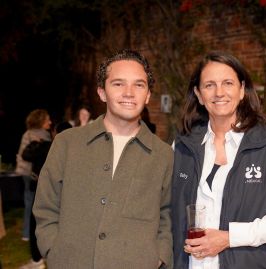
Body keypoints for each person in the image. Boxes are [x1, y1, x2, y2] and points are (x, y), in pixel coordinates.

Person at [33, 49, 174, 269]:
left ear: (147, 95)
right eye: (118, 84)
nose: (129, 93)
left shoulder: (163, 155)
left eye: (139, 85)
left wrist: (159, 257)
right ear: (102, 92)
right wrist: (53, 250)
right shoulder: (67, 143)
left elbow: (168, 214)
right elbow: (46, 205)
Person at [171, 51, 266, 269]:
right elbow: (166, 212)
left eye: (228, 83)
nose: (219, 92)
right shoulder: (182, 146)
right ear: (198, 94)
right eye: (209, 85)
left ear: (242, 90)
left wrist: (230, 237)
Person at [20, 122, 72, 269]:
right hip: (65, 194)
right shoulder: (76, 150)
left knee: (37, 223)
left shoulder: (46, 147)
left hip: (43, 192)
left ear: (55, 132)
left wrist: (35, 143)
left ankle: (37, 260)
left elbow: (26, 154)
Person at [15, 109, 52, 242]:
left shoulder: (27, 133)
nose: (50, 122)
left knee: (28, 203)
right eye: (48, 119)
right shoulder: (44, 135)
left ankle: (26, 233)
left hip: (24, 172)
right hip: (34, 175)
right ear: (41, 121)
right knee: (37, 205)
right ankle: (35, 233)